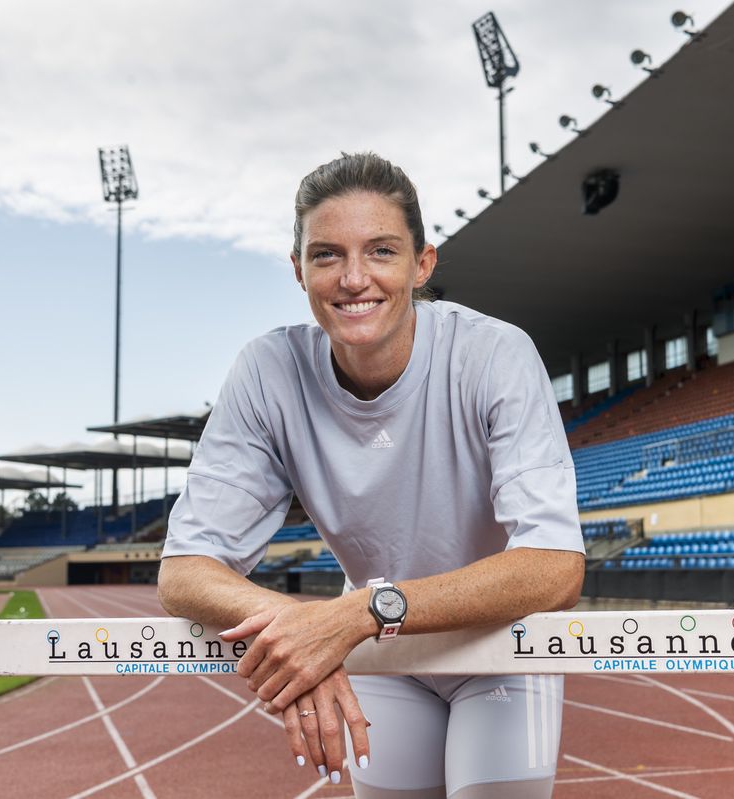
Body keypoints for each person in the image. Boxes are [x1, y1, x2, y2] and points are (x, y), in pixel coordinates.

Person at [157, 152, 586, 799]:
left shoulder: (495, 354)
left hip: (499, 639)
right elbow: (185, 569)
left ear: (423, 263)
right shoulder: (268, 371)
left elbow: (555, 566)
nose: (354, 278)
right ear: (298, 269)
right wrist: (301, 631)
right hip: (381, 652)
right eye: (327, 255)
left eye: (381, 251)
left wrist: (357, 612)